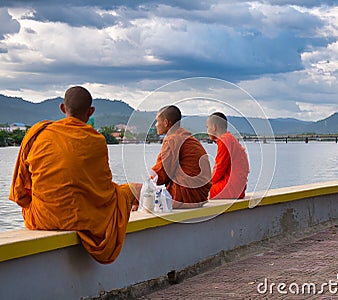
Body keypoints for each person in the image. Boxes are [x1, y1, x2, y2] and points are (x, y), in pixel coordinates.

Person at [9, 86, 141, 264]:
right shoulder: (97, 140)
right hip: (86, 219)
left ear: (63, 108)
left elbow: (19, 194)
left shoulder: (39, 134)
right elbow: (104, 190)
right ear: (91, 111)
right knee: (132, 190)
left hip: (43, 219)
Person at [152, 105, 211, 208]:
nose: (156, 125)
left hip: (186, 195)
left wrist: (143, 190)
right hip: (200, 195)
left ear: (166, 123)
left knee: (137, 192)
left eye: (157, 121)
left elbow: (160, 175)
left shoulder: (172, 140)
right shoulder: (186, 137)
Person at [206, 112, 249, 199]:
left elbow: (219, 169)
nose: (207, 131)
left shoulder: (224, 141)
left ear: (214, 127)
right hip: (238, 188)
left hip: (231, 188)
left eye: (208, 127)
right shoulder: (230, 139)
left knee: (199, 194)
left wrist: (206, 184)